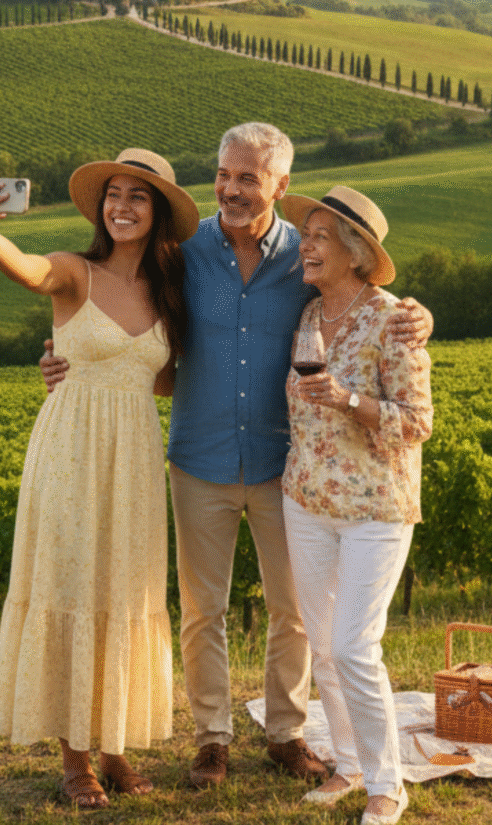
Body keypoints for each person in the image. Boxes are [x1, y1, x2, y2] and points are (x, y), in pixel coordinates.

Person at [42, 123, 432, 790]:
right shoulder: (180, 255)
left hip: (286, 466)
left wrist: (420, 317)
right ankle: (212, 739)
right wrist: (65, 357)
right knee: (203, 611)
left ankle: (286, 733)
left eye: (248, 177)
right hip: (199, 458)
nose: (230, 189)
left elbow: (363, 302)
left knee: (294, 611)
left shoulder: (308, 256)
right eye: (224, 175)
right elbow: (113, 310)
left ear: (280, 185)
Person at [0, 148, 199, 809]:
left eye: (138, 196)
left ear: (157, 213)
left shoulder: (168, 294)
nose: (122, 206)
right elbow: (29, 268)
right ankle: (76, 762)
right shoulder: (76, 272)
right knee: (72, 586)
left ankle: (115, 748)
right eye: (113, 194)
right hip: (70, 454)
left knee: (122, 591)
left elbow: (160, 380)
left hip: (134, 463)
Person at [279, 185, 433, 825]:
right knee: (321, 644)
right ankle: (348, 765)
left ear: (356, 252)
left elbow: (417, 421)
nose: (305, 246)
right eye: (305, 235)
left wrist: (348, 400)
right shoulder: (310, 315)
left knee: (353, 647)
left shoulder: (394, 319)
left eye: (319, 237)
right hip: (306, 499)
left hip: (376, 507)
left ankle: (387, 784)